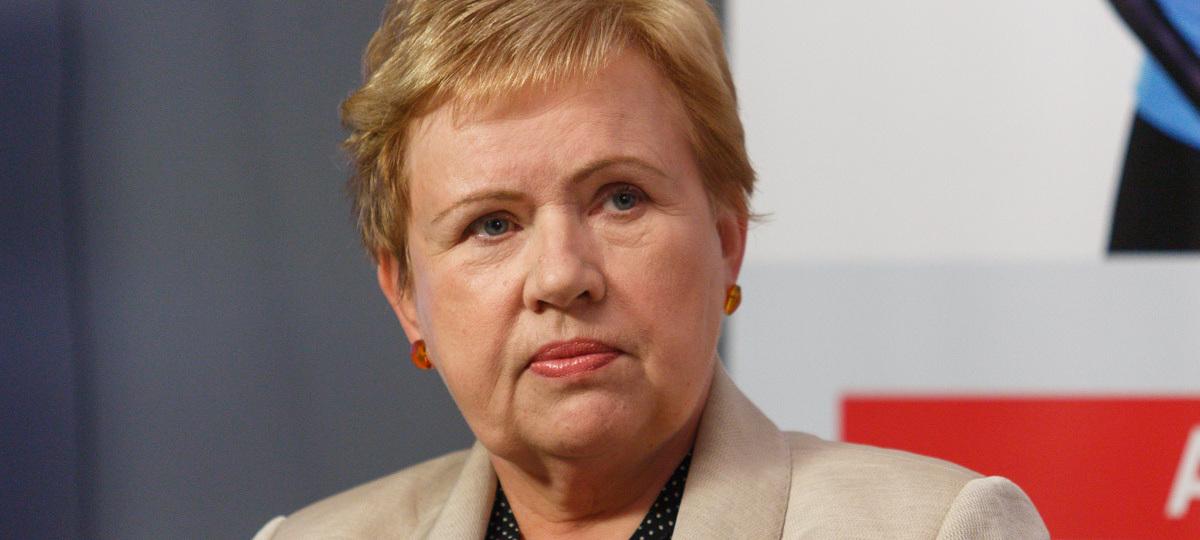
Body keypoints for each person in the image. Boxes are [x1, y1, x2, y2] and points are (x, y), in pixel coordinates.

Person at [255, 1, 1049, 538]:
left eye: (620, 199)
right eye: (491, 224)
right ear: (406, 296)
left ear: (727, 239)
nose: (562, 276)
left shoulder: (933, 529)